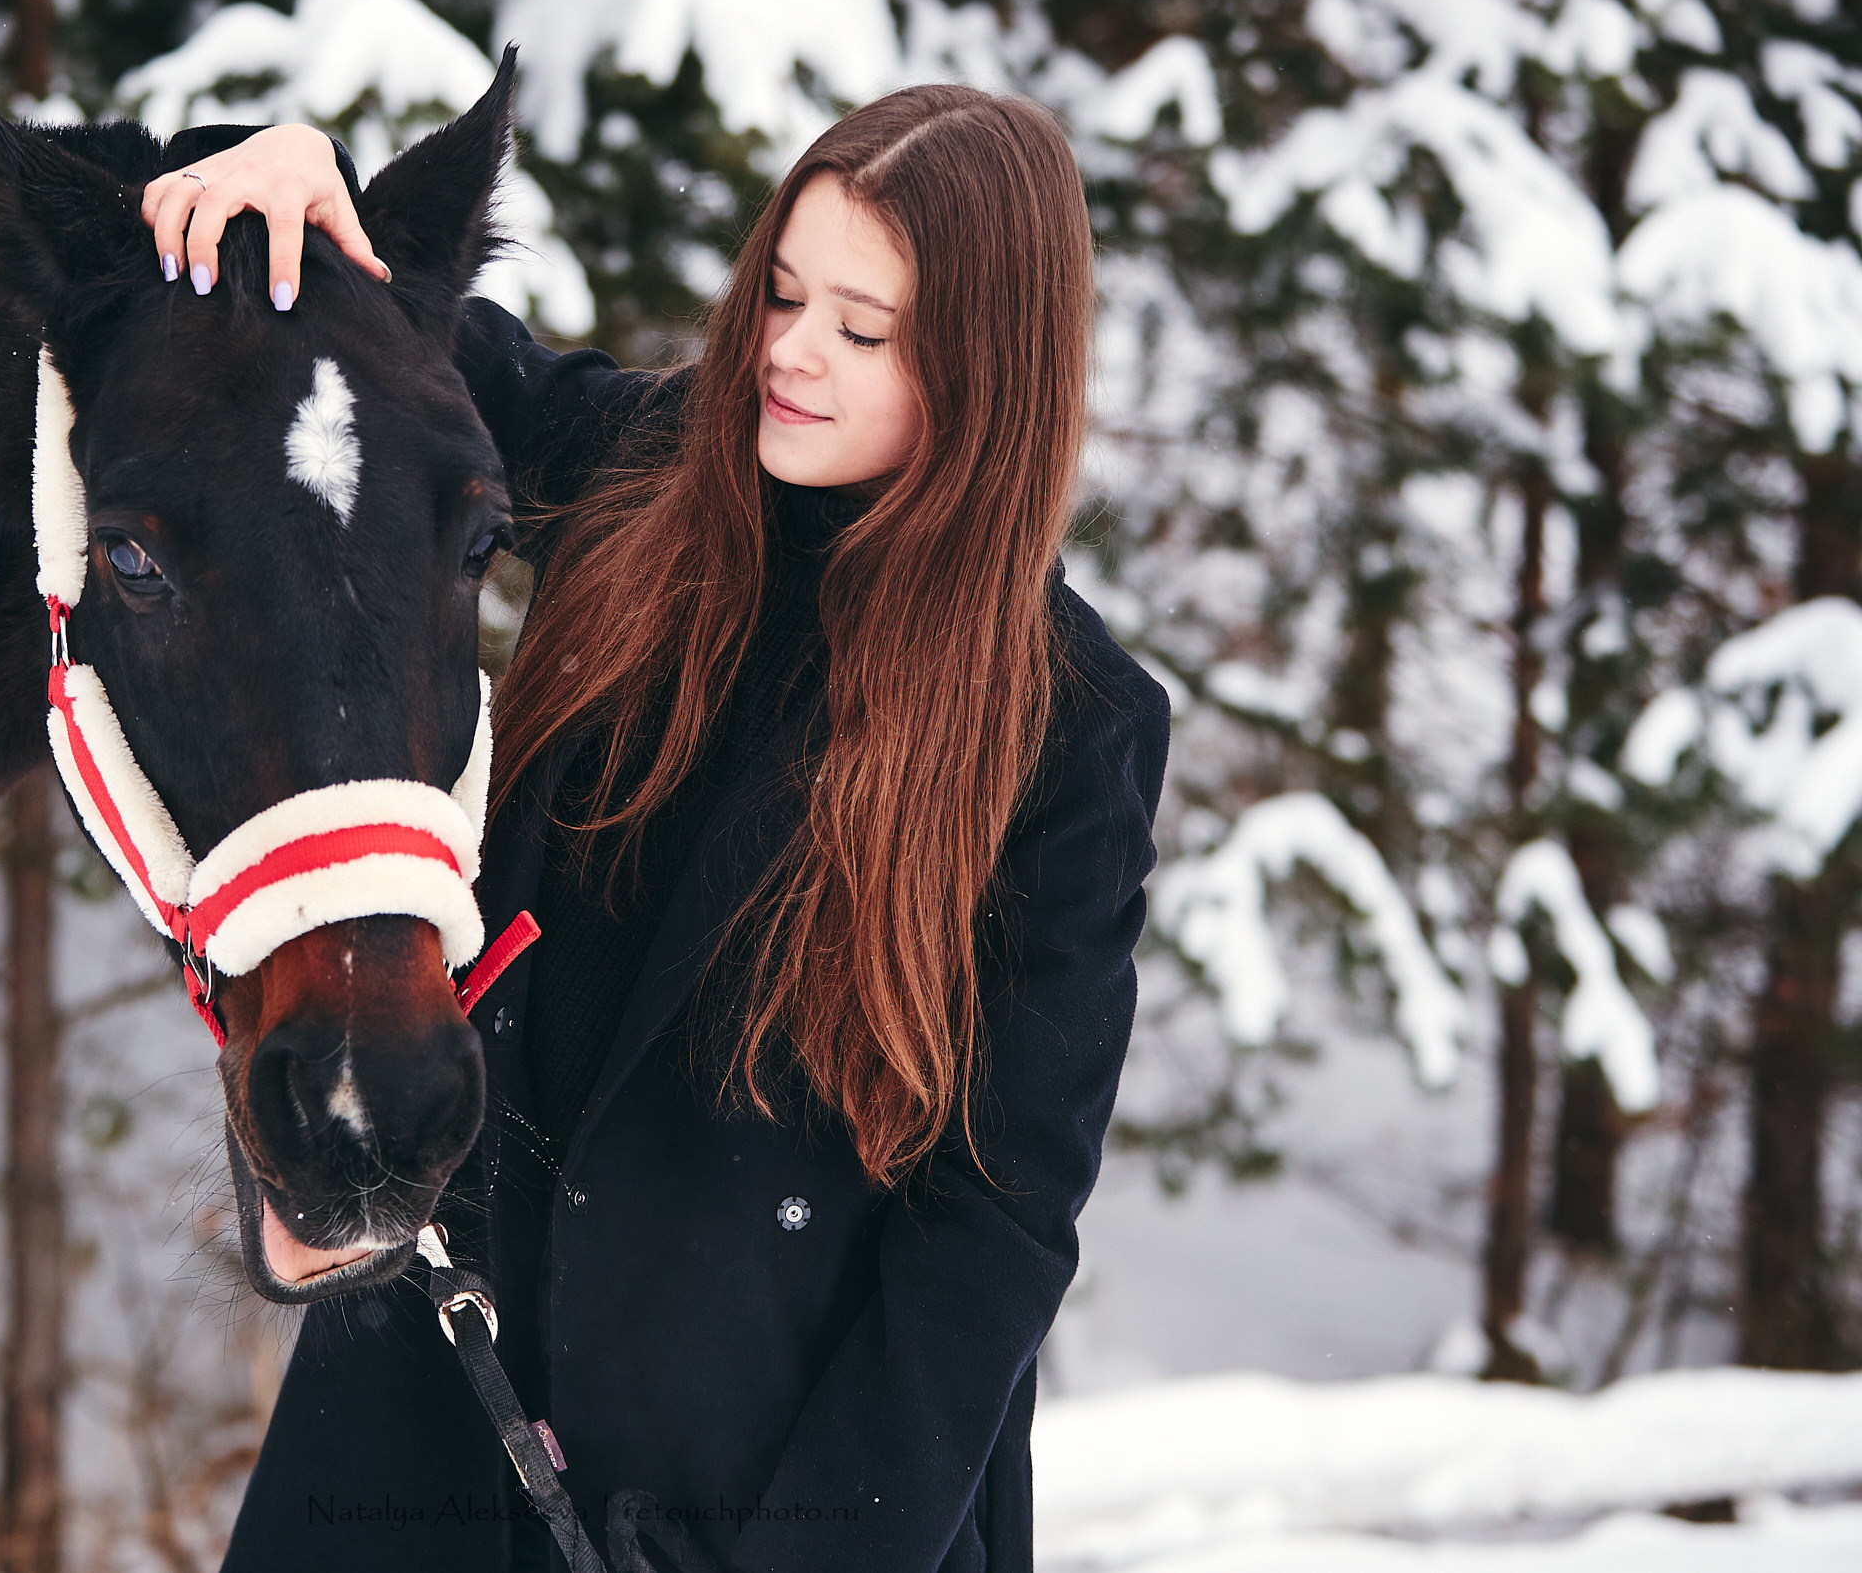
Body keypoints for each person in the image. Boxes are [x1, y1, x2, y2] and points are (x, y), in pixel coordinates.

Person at [140, 85, 1170, 1573]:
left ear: (989, 377)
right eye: (784, 293)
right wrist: (297, 179)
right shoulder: (641, 471)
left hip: (760, 1499)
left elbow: (994, 1231)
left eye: (862, 331)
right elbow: (383, 336)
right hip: (428, 1437)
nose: (791, 354)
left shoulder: (1066, 729)